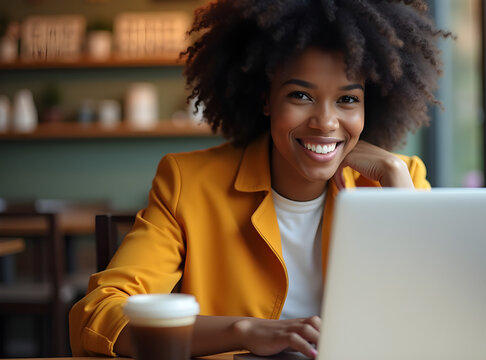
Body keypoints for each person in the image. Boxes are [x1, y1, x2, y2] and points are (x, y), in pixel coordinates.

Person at [69, 0, 449, 358]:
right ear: (266, 99)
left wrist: (400, 188)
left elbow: (442, 322)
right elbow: (99, 314)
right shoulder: (188, 182)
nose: (326, 123)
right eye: (301, 95)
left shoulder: (399, 180)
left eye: (348, 100)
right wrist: (245, 331)